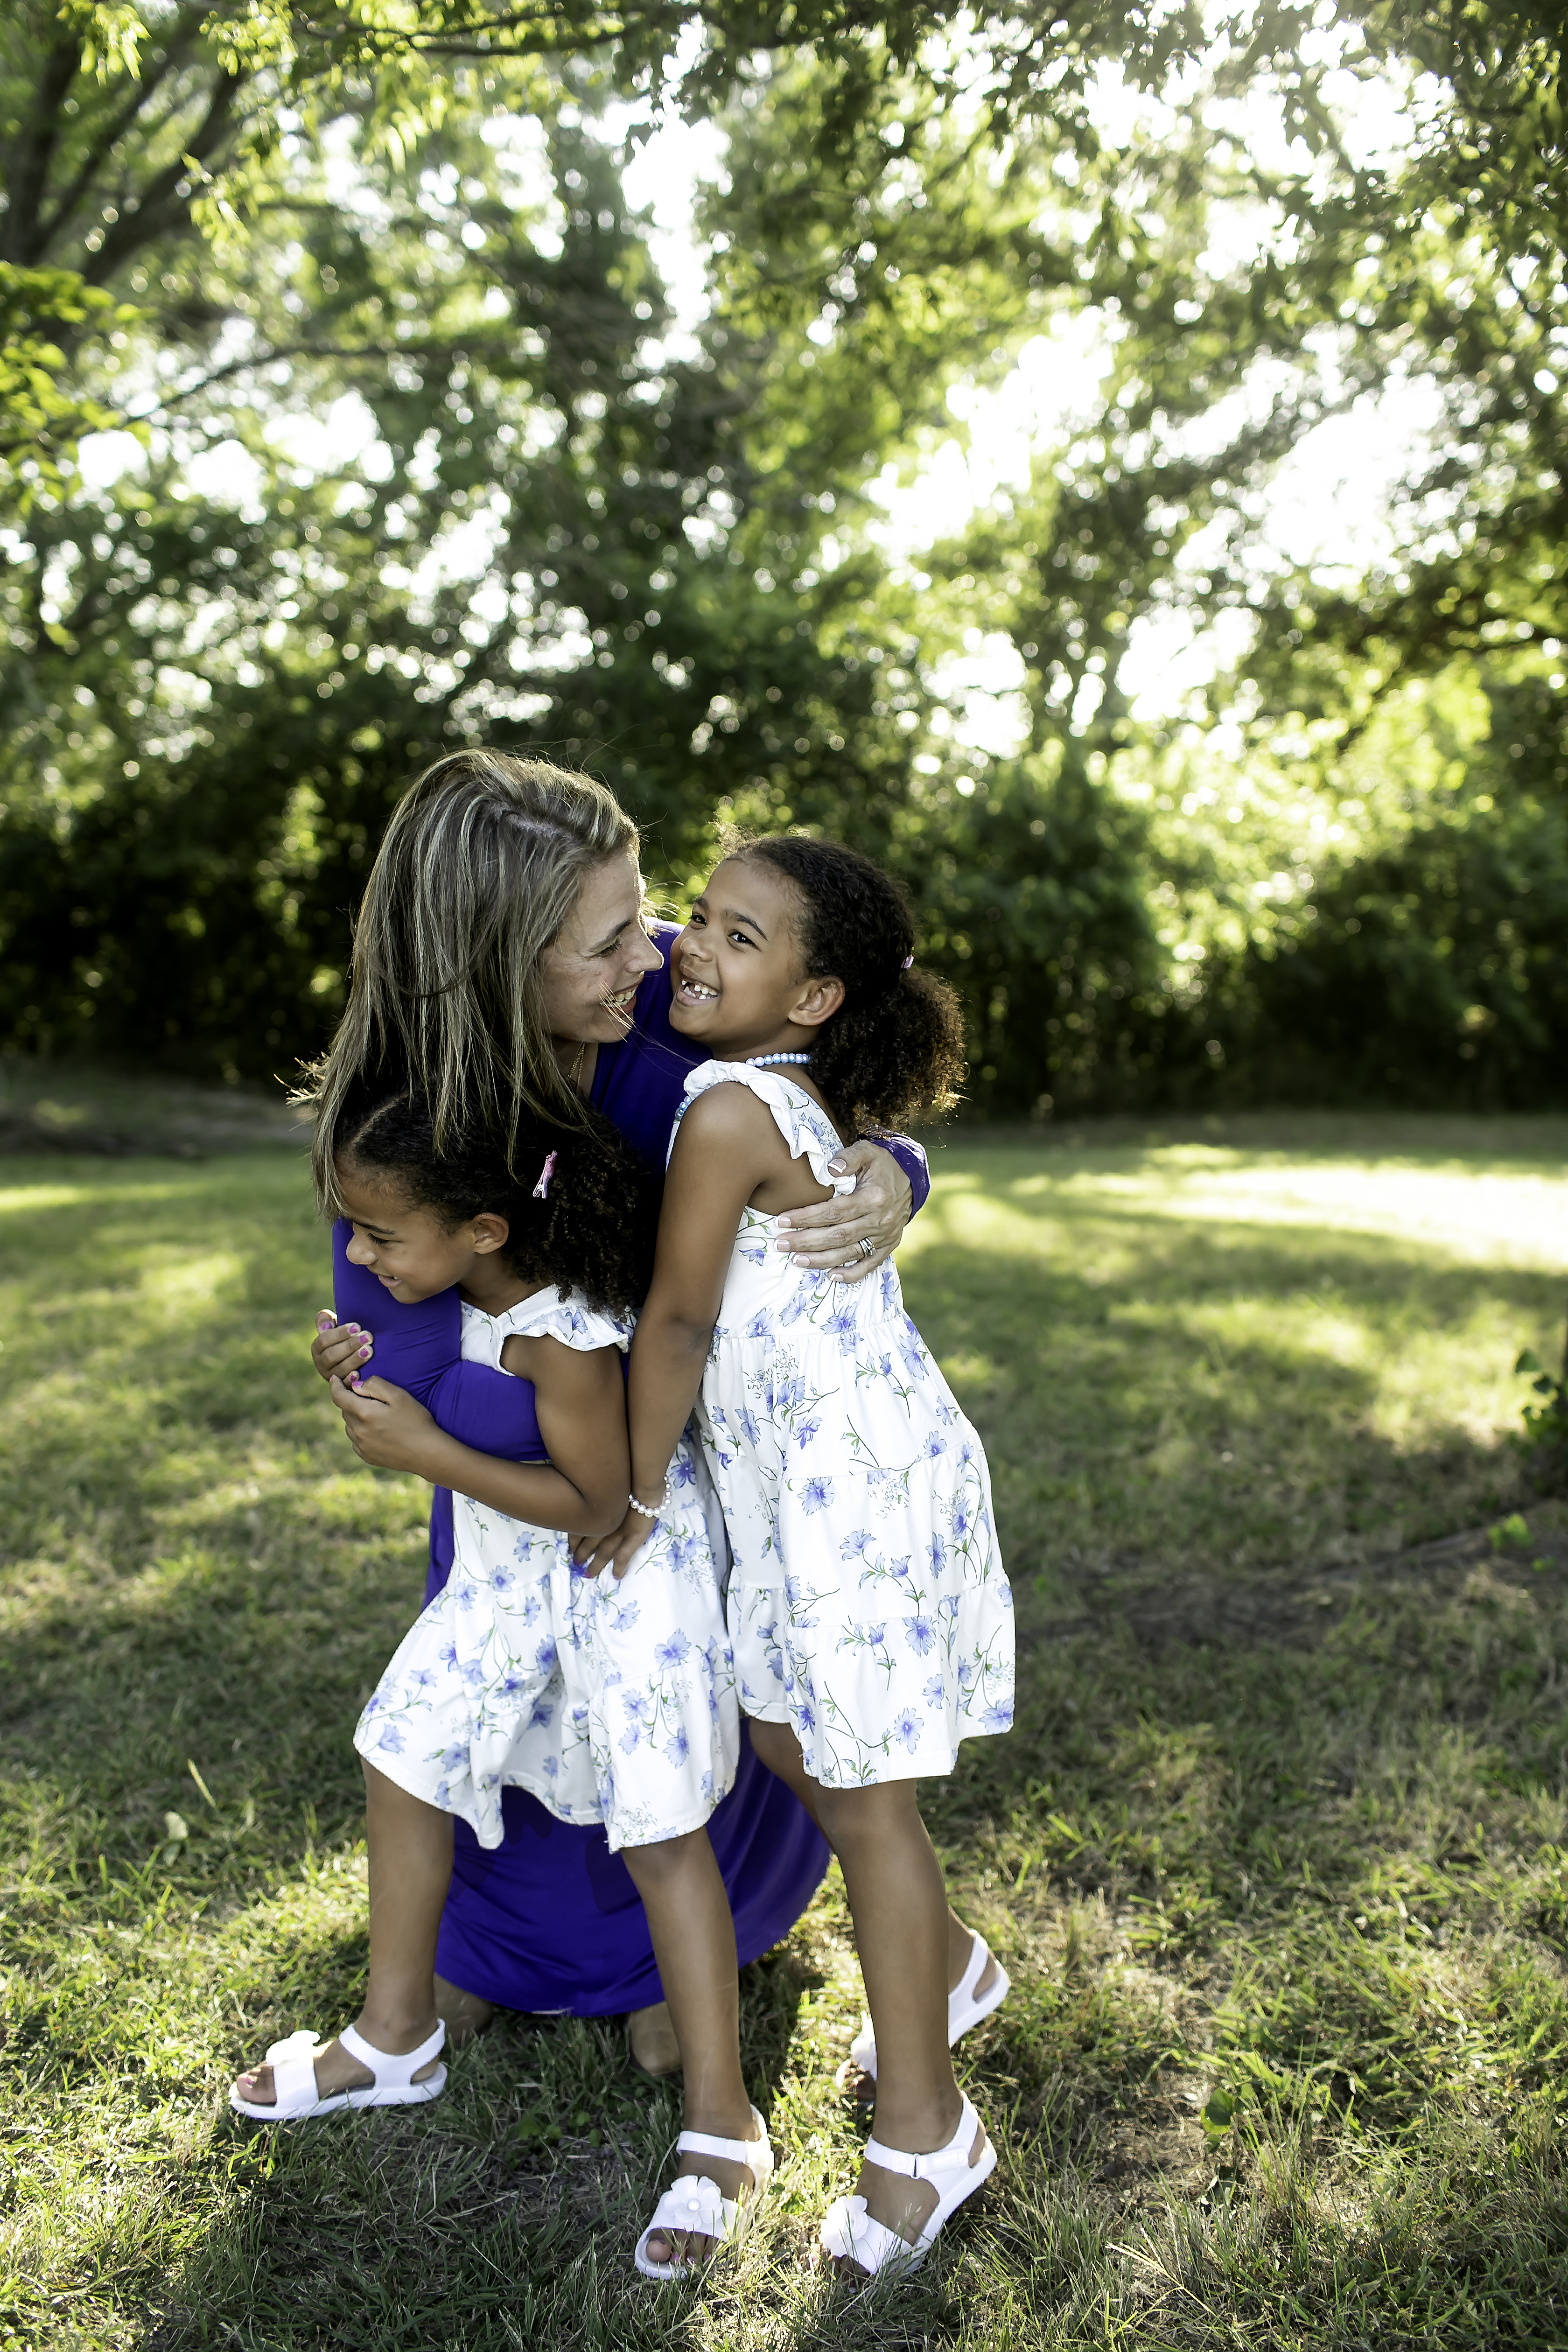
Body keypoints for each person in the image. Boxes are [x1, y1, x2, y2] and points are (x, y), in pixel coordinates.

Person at [291, 754, 931, 2071]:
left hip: (679, 1508)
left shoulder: (665, 1024)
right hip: (533, 1505)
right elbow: (421, 1370)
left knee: (670, 1739)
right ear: (489, 968)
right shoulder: (406, 1122)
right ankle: (484, 1962)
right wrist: (551, 1394)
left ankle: (702, 1949)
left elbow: (820, 1091)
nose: (650, 954)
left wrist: (895, 1168)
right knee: (514, 1737)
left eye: (649, 912)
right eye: (605, 942)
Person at [234, 1090, 774, 2273]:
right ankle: (396, 2036)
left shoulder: (560, 1333)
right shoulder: (459, 1295)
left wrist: (428, 1453)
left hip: (621, 1587)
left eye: (379, 1238)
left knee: (657, 1827)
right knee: (404, 1753)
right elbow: (435, 1402)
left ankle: (725, 2114)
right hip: (505, 1582)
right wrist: (351, 1362)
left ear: (483, 1229)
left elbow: (595, 1505)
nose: (361, 1258)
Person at [581, 833, 1015, 2280]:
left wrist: (633, 1487)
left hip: (851, 1503)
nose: (694, 943)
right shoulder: (772, 1090)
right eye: (700, 915)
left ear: (816, 998)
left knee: (866, 1802)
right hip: (802, 1494)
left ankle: (925, 2133)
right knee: (779, 1730)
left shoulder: (729, 1118)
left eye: (742, 934)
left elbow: (679, 1325)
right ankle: (946, 1964)